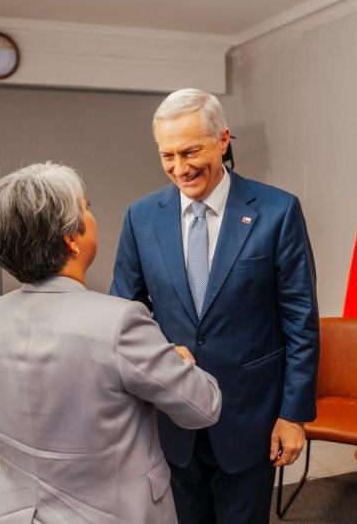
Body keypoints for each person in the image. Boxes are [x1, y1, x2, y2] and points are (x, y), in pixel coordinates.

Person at [0, 162, 222, 524]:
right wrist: (180, 363)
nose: (92, 215)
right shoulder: (119, 322)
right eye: (86, 207)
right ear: (72, 238)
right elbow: (203, 407)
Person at [111, 89, 319, 523]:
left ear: (223, 140)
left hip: (250, 421)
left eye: (190, 151)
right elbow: (122, 312)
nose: (180, 168)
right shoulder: (141, 217)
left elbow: (300, 321)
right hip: (171, 419)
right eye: (167, 155)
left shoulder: (278, 212)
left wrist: (294, 415)